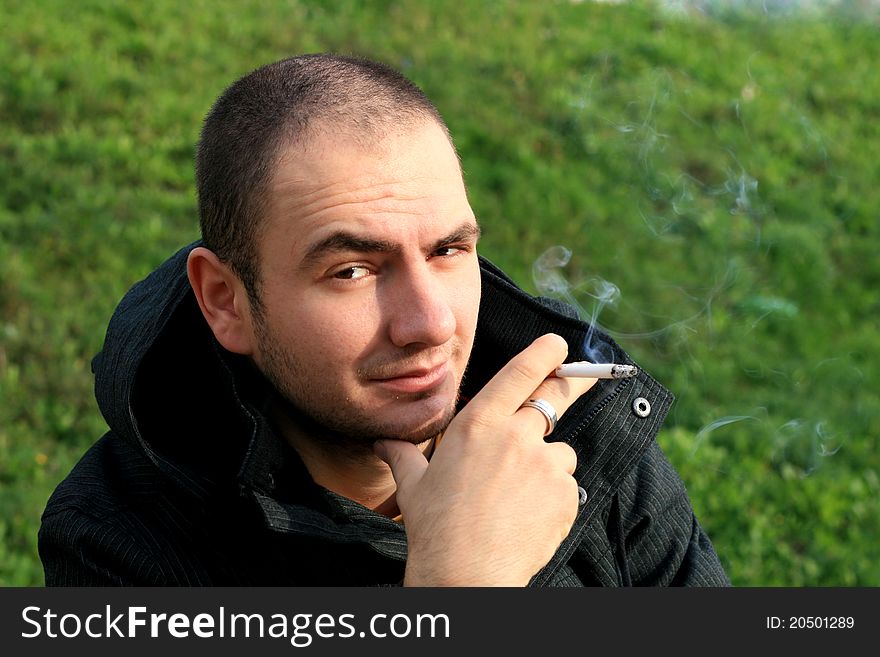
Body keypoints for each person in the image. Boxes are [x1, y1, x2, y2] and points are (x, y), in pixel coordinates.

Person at [39, 53, 729, 586]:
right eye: (352, 271)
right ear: (226, 300)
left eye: (449, 249)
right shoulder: (118, 542)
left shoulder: (581, 439)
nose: (429, 324)